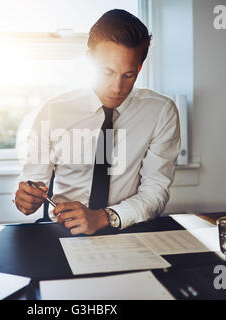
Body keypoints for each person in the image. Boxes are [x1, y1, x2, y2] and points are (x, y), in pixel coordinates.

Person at [14, 9, 181, 235]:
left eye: (129, 75)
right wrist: (26, 199)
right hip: (63, 233)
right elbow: (32, 182)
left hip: (128, 229)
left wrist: (103, 217)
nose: (117, 88)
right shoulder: (53, 111)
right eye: (107, 72)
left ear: (140, 68)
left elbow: (155, 192)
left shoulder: (161, 112)